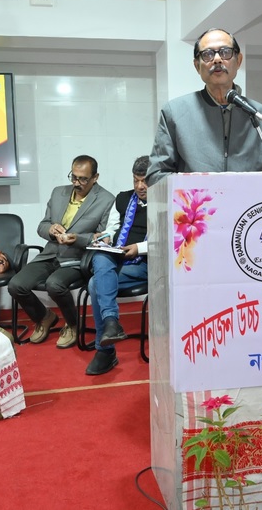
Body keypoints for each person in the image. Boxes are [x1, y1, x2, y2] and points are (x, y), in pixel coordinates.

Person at [146, 28, 262, 186]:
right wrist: (199, 190)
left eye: (225, 52)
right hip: (196, 201)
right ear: (197, 66)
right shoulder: (174, 113)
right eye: (208, 54)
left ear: (238, 60)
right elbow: (156, 176)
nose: (217, 59)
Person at [8, 156, 114, 349]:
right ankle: (44, 317)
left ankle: (73, 324)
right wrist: (51, 230)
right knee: (16, 285)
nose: (76, 183)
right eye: (73, 177)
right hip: (50, 253)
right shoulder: (59, 192)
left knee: (54, 284)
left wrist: (78, 238)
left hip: (78, 258)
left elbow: (103, 237)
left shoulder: (106, 200)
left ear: (95, 177)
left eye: (83, 179)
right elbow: (42, 225)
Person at [84, 156, 150, 375]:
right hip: (120, 257)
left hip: (147, 263)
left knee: (95, 284)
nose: (139, 186)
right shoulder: (122, 199)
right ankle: (111, 323)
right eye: (136, 180)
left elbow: (171, 239)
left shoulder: (169, 202)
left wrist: (139, 248)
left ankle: (105, 349)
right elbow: (112, 228)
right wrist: (105, 238)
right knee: (100, 255)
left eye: (145, 181)